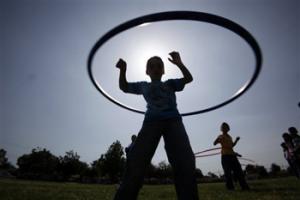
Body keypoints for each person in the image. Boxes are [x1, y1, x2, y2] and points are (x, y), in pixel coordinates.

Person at [114, 51, 199, 200]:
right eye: (151, 66)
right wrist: (123, 70)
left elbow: (189, 78)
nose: (156, 68)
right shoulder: (143, 86)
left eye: (159, 66)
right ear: (147, 71)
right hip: (151, 123)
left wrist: (179, 63)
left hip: (174, 122)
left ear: (164, 70)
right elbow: (124, 87)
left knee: (185, 160)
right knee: (137, 159)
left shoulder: (170, 83)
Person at [213, 122, 249, 190]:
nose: (224, 128)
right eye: (223, 127)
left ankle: (244, 187)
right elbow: (214, 143)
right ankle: (230, 188)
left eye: (226, 127)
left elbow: (231, 146)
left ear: (228, 128)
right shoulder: (220, 136)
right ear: (221, 129)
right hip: (225, 157)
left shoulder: (230, 137)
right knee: (228, 173)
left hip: (232, 156)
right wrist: (217, 140)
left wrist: (236, 140)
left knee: (239, 172)